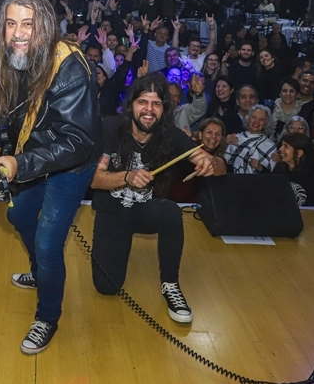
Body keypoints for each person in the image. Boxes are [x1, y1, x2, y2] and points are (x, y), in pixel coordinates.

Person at [0, 0, 101, 355]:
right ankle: (40, 273)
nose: (18, 33)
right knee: (20, 218)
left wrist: (20, 163)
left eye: (28, 24)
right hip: (32, 155)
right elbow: (6, 104)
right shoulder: (16, 54)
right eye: (11, 24)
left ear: (45, 26)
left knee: (50, 244)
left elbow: (78, 142)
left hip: (70, 164)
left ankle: (47, 316)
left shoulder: (69, 68)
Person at [90, 74, 225, 325]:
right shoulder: (110, 128)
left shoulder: (171, 135)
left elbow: (219, 166)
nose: (149, 110)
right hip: (112, 212)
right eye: (143, 102)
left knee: (171, 211)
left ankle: (170, 284)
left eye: (156, 104)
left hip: (146, 211)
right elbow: (94, 180)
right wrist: (127, 176)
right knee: (106, 287)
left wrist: (211, 163)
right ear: (131, 105)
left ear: (164, 109)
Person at [273, 133, 314, 206]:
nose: (280, 149)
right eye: (282, 145)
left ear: (299, 153)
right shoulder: (279, 171)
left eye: (286, 146)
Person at [224, 105, 277, 174]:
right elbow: (223, 161)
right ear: (248, 119)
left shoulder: (270, 146)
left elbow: (272, 176)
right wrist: (224, 142)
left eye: (261, 119)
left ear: (265, 124)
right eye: (254, 117)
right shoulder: (236, 137)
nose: (256, 121)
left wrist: (260, 168)